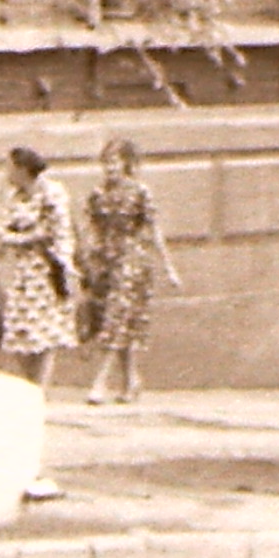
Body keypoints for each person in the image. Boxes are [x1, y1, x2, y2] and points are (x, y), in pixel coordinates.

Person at [0, 145, 77, 499]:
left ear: (24, 168)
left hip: (45, 281)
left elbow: (55, 236)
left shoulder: (52, 192)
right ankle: (23, 462)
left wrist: (21, 238)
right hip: (23, 281)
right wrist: (19, 238)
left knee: (39, 374)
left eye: (10, 166)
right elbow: (7, 234)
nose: (5, 172)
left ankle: (35, 464)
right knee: (22, 371)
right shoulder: (14, 196)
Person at [78, 136, 185, 406]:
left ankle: (99, 383)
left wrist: (169, 268)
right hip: (106, 262)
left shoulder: (139, 192)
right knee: (119, 322)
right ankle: (130, 381)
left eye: (114, 162)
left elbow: (153, 231)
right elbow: (90, 229)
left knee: (117, 318)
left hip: (133, 262)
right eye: (105, 162)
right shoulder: (97, 193)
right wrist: (87, 259)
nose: (109, 168)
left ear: (126, 163)